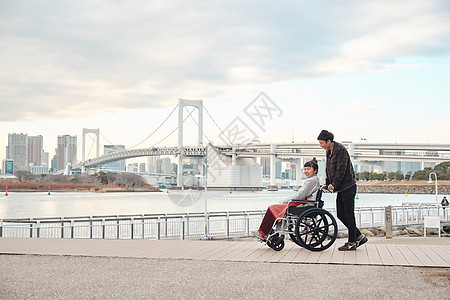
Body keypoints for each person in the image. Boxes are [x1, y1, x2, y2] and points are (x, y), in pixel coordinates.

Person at [317, 130, 367, 251]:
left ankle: (352, 242)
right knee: (340, 214)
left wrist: (334, 184)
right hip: (341, 188)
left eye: (322, 143)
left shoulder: (341, 150)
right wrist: (328, 182)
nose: (321, 145)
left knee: (349, 215)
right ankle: (359, 236)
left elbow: (342, 169)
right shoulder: (329, 151)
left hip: (348, 186)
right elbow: (329, 169)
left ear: (329, 141)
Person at [253, 158, 320, 240]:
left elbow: (299, 195)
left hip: (306, 206)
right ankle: (271, 232)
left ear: (315, 171)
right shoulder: (313, 180)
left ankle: (265, 232)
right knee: (278, 209)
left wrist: (285, 200)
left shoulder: (311, 181)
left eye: (309, 169)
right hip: (307, 204)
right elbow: (301, 194)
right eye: (305, 169)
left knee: (274, 208)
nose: (306, 171)